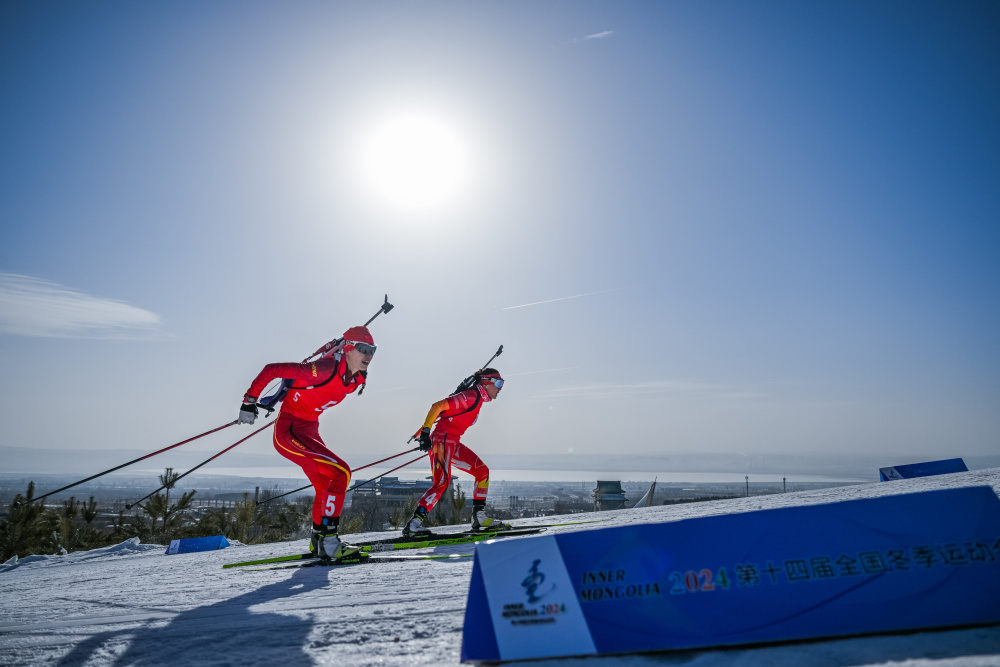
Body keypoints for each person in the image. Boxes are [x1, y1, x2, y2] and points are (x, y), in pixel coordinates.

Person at [238, 326, 375, 561]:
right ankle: (330, 542)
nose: (369, 355)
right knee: (341, 472)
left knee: (326, 485)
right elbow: (272, 369)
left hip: (310, 431)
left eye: (373, 350)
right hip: (289, 432)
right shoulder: (324, 369)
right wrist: (249, 401)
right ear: (349, 348)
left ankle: (319, 540)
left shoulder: (357, 379)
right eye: (364, 349)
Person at [404, 368, 509, 537]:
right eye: (498, 383)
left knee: (482, 472)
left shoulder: (478, 398)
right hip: (441, 442)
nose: (500, 388)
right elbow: (437, 406)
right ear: (486, 381)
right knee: (442, 483)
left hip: (452, 443)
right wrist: (425, 433)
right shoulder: (470, 397)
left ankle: (479, 518)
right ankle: (414, 524)